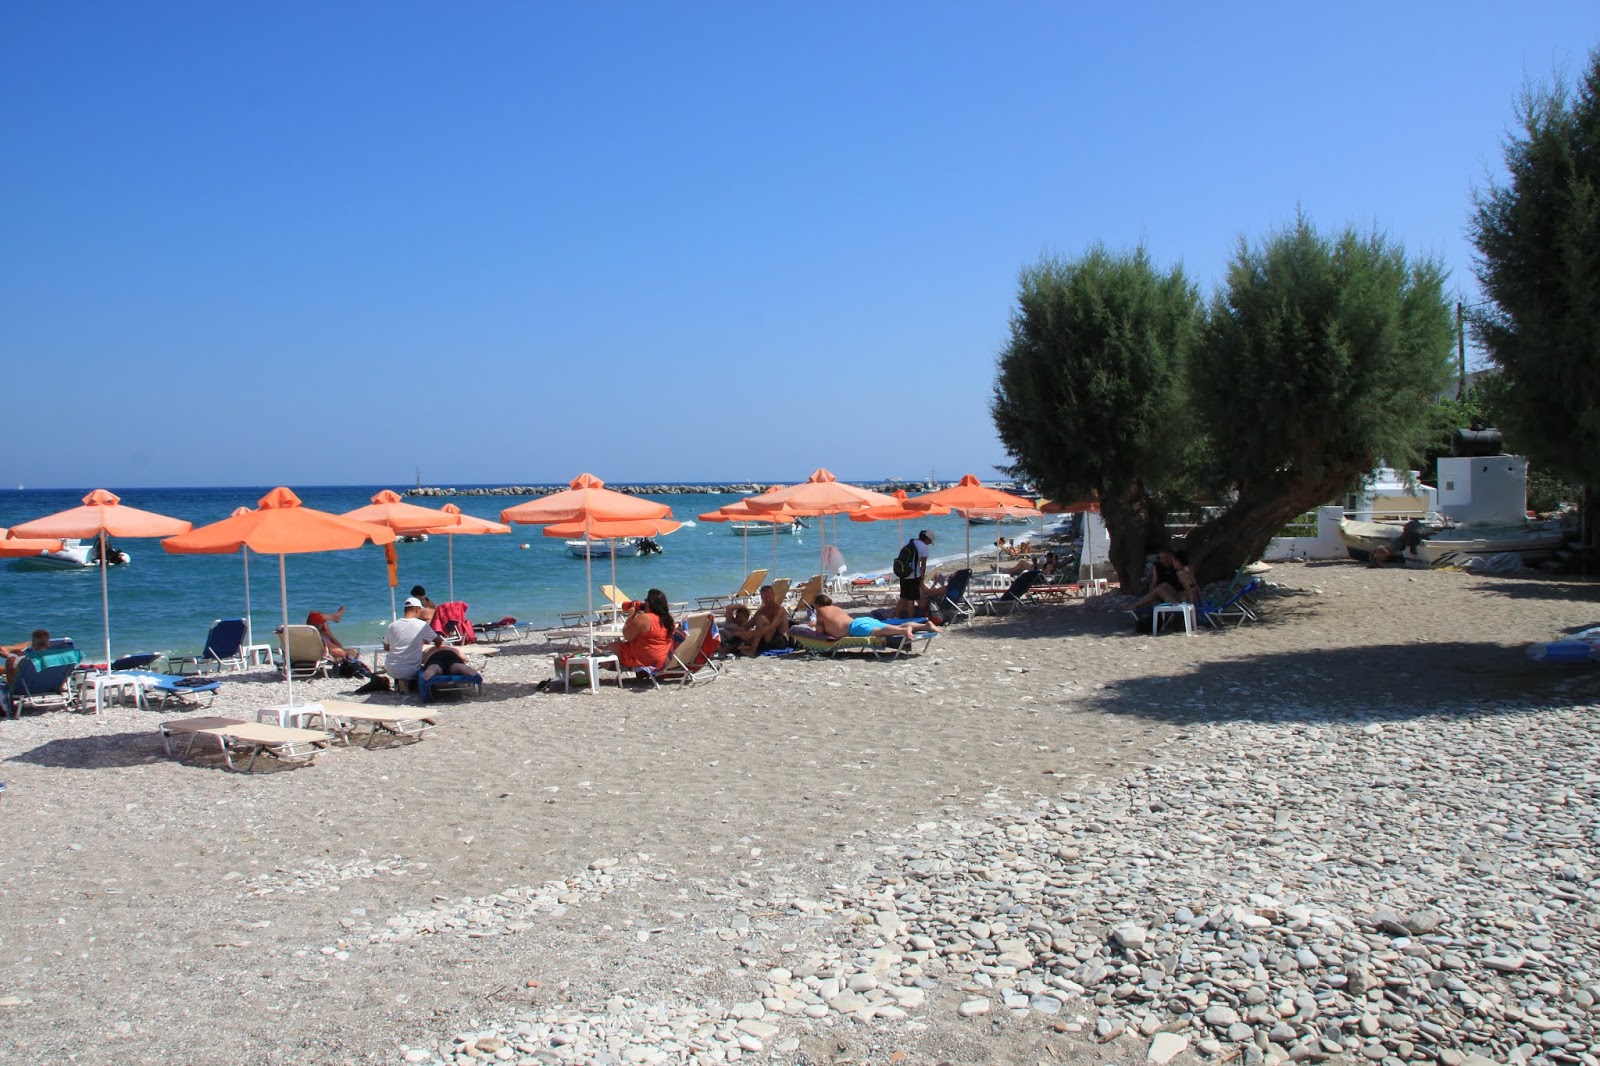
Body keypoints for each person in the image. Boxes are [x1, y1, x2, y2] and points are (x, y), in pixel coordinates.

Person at [603, 589, 675, 670]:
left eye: (646, 601)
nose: (644, 604)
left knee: (610, 647)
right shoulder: (669, 619)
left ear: (650, 603)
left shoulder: (645, 618)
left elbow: (627, 635)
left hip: (643, 660)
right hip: (662, 661)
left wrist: (631, 615)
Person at [814, 595, 940, 641]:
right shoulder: (836, 608)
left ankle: (902, 631)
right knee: (894, 626)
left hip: (855, 628)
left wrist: (814, 626)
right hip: (861, 621)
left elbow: (819, 633)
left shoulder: (820, 611)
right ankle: (925, 626)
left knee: (879, 632)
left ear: (818, 604)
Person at [384, 597, 444, 688]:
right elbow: (439, 642)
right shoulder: (422, 625)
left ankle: (399, 681)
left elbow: (386, 648)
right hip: (410, 670)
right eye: (420, 610)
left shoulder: (393, 625)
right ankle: (409, 683)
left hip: (391, 668)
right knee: (426, 661)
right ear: (417, 609)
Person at [722, 585, 791, 657]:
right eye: (765, 597)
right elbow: (748, 625)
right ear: (761, 598)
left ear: (774, 595)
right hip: (766, 640)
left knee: (760, 619)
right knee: (745, 636)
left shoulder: (779, 610)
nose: (767, 599)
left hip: (780, 640)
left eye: (769, 596)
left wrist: (750, 633)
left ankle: (752, 651)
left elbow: (771, 627)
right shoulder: (762, 610)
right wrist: (740, 629)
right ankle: (730, 647)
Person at [1130, 549, 1198, 609]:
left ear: (1177, 561)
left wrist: (1192, 605)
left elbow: (1191, 588)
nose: (1172, 563)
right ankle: (1140, 603)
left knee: (1159, 590)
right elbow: (1194, 586)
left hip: (1185, 601)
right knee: (1164, 586)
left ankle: (1135, 605)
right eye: (1161, 558)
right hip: (1184, 597)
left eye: (1173, 560)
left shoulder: (1181, 573)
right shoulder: (1185, 570)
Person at [894, 530, 935, 619]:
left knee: (903, 596)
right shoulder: (924, 547)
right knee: (911, 599)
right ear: (927, 539)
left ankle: (895, 616)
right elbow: (923, 565)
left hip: (904, 573)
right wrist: (922, 580)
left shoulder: (911, 542)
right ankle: (911, 619)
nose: (929, 544)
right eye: (930, 541)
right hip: (914, 576)